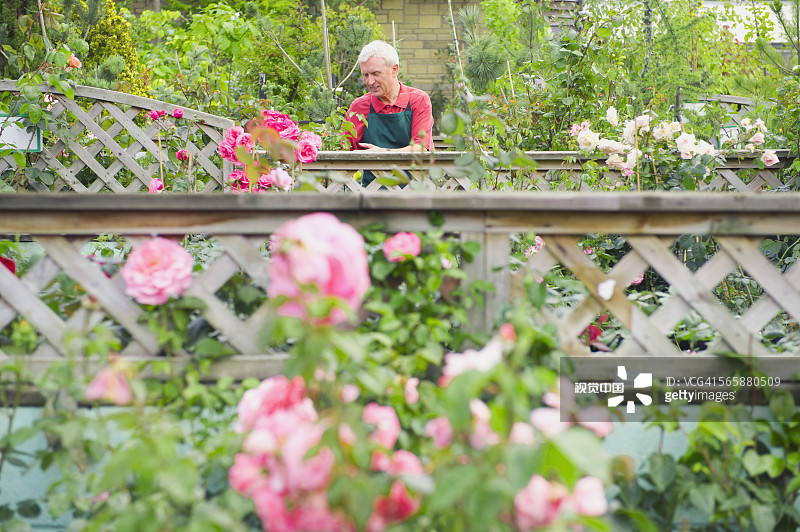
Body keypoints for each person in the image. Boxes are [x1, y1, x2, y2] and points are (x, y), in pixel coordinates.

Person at [344, 40, 434, 184]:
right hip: (374, 192)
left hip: (415, 189)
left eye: (375, 73)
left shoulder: (418, 100)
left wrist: (383, 153)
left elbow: (421, 147)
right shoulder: (359, 107)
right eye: (365, 75)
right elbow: (344, 148)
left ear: (394, 70)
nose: (370, 81)